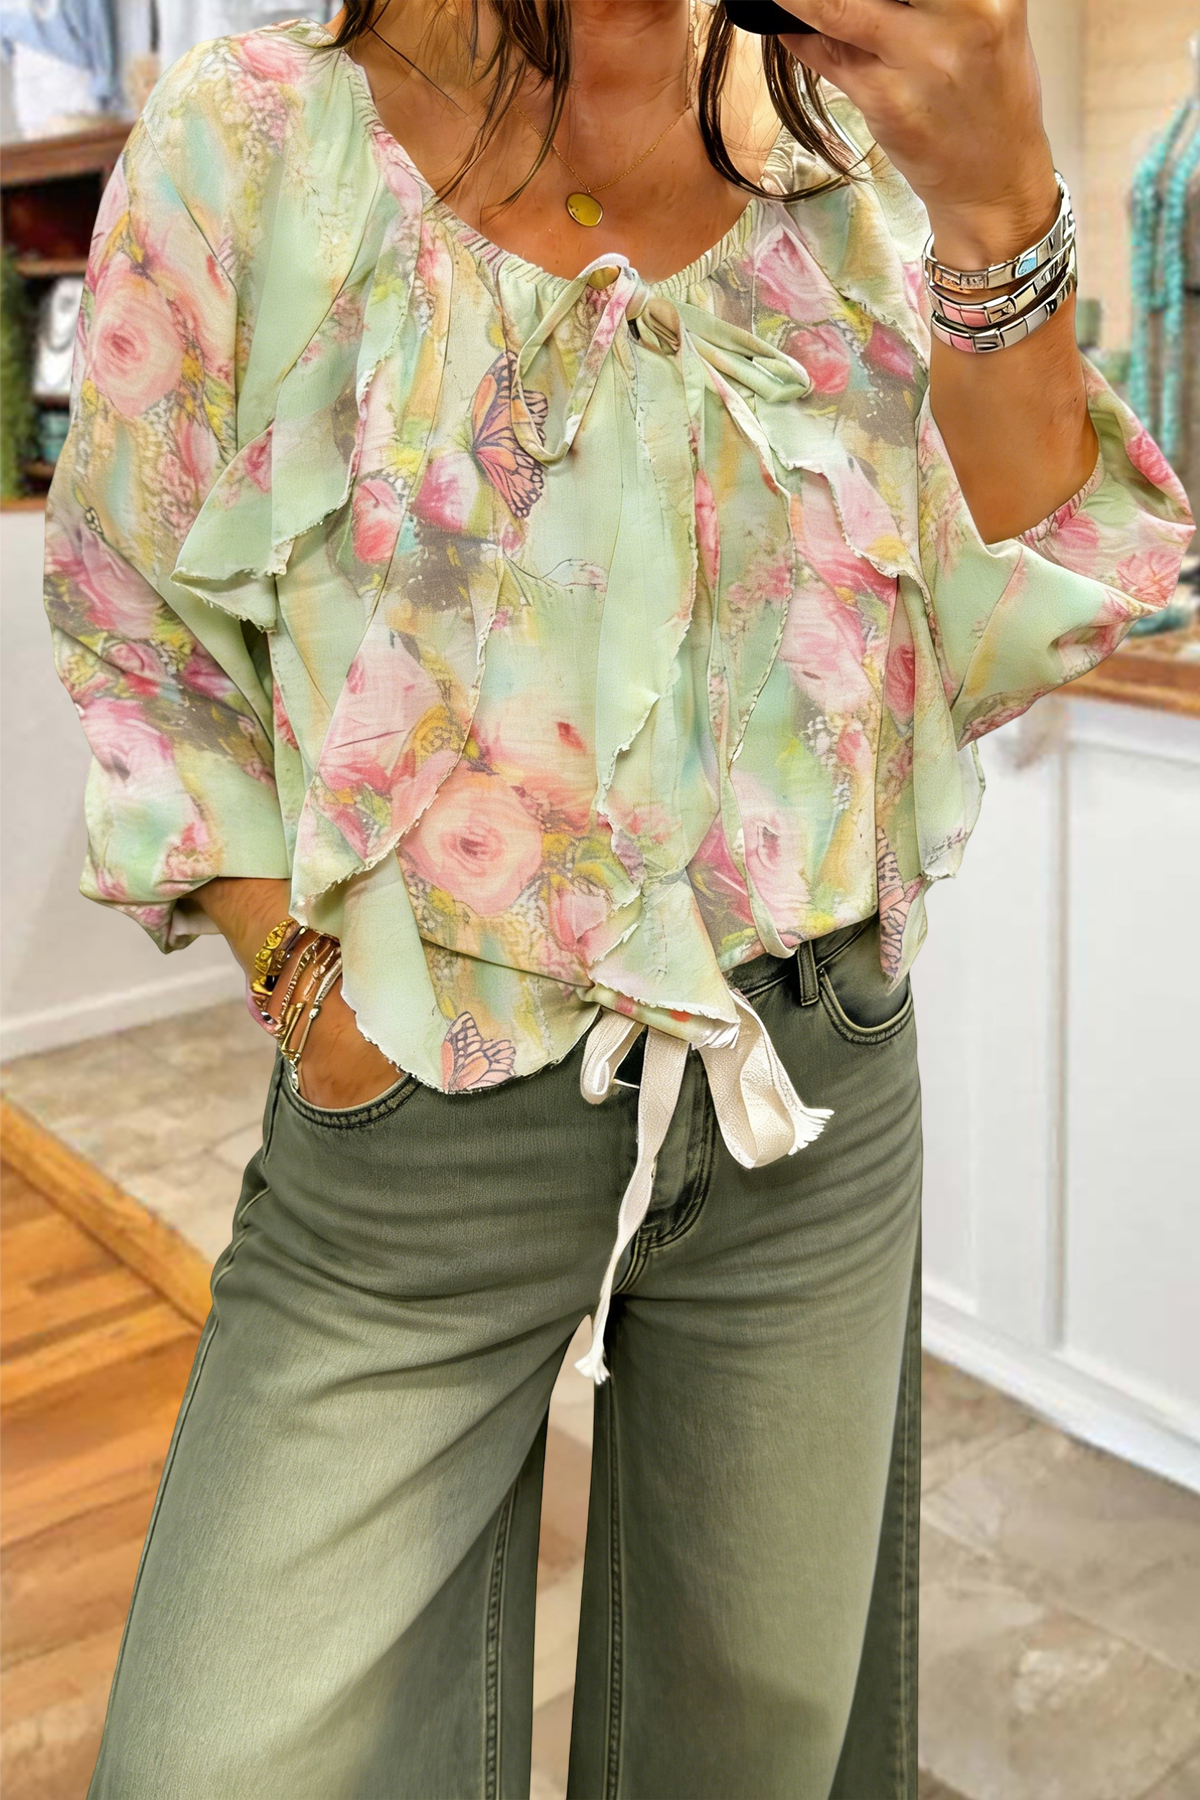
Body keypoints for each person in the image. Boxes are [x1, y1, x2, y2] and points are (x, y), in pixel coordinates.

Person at [44, 2, 1190, 1795]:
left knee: (753, 1745)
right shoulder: (253, 135)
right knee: (227, 1756)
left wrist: (998, 206)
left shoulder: (837, 143)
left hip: (806, 1092)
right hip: (413, 1118)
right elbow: (139, 628)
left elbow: (1028, 596)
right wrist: (308, 996)